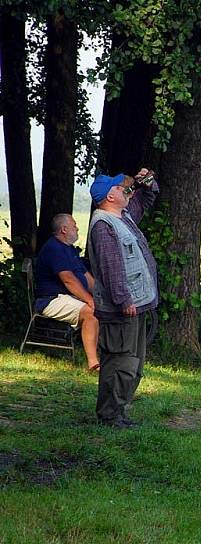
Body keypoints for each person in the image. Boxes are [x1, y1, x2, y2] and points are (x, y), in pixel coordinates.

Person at [88, 168, 159, 428]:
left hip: (135, 305)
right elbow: (111, 267)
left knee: (132, 362)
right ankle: (109, 416)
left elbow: (146, 198)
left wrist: (146, 181)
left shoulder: (123, 216)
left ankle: (118, 413)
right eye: (120, 188)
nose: (124, 190)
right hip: (123, 308)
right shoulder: (104, 226)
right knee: (121, 362)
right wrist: (123, 300)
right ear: (110, 195)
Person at [35, 213, 100, 371]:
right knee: (90, 312)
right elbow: (68, 280)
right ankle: (93, 363)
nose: (77, 228)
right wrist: (90, 300)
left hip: (66, 297)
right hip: (51, 300)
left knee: (103, 307)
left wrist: (101, 295)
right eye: (74, 225)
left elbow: (85, 275)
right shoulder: (54, 249)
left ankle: (108, 354)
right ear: (64, 229)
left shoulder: (68, 249)